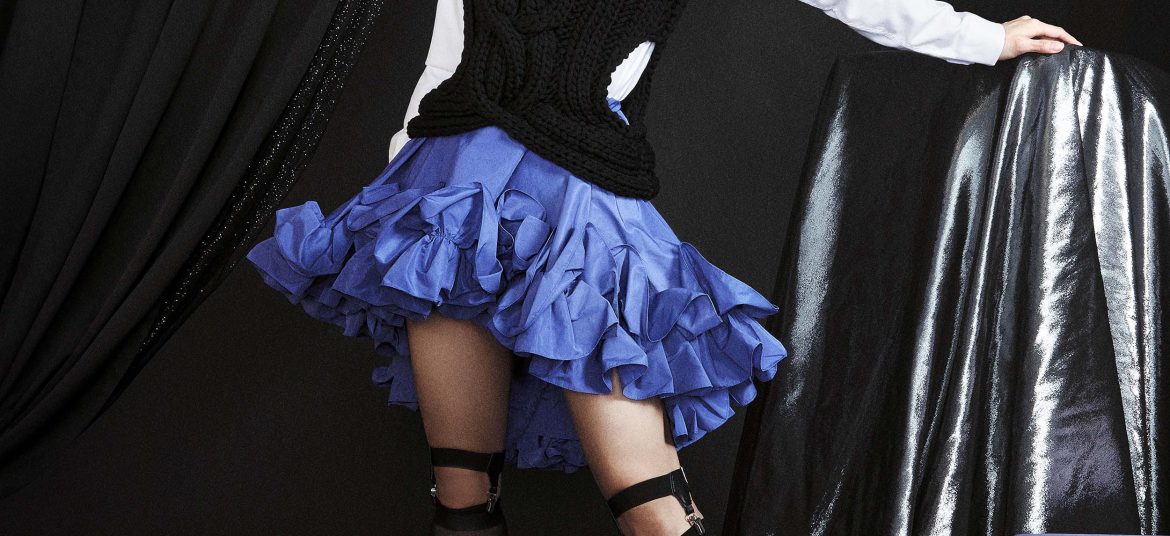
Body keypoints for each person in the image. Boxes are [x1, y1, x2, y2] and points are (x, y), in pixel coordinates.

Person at [245, 1, 1080, 534]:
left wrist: (982, 39)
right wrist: (401, 207)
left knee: (648, 499)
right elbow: (447, 57)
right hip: (450, 197)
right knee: (462, 491)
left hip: (579, 196)